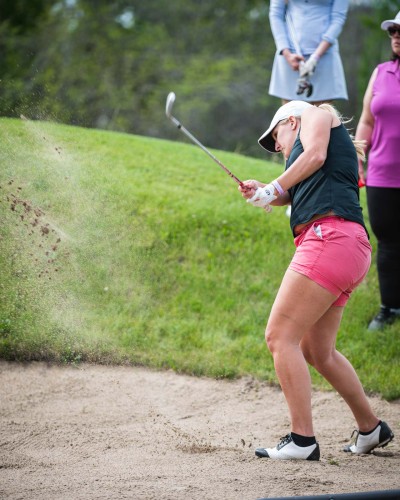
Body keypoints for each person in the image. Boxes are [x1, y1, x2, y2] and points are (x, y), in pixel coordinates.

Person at [238, 100, 394, 460]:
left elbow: (316, 156)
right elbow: (294, 190)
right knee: (317, 351)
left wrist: (273, 187)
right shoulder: (307, 156)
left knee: (280, 336)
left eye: (276, 135)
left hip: (329, 239)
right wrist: (265, 190)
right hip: (345, 246)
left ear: (292, 120)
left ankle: (302, 440)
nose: (277, 146)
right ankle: (371, 428)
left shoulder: (316, 115)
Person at [355, 11, 400, 331]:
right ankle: (389, 308)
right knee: (387, 242)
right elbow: (367, 120)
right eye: (393, 31)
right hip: (382, 174)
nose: (396, 36)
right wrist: (358, 155)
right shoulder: (381, 72)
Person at [269, 0, 349, 104]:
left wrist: (315, 57)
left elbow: (338, 18)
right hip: (291, 57)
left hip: (324, 58)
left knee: (322, 111)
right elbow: (276, 14)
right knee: (291, 112)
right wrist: (286, 53)